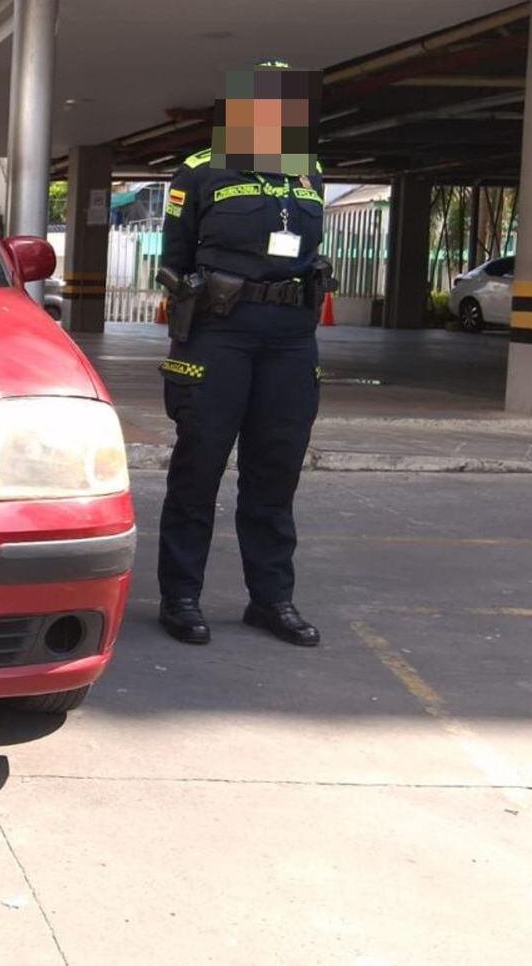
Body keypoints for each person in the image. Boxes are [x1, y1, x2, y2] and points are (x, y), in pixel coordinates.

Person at [154, 60, 336, 648]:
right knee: (199, 465)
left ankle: (271, 600)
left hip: (290, 337)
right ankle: (181, 596)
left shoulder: (307, 171)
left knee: (276, 471)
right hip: (219, 333)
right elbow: (175, 259)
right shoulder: (200, 169)